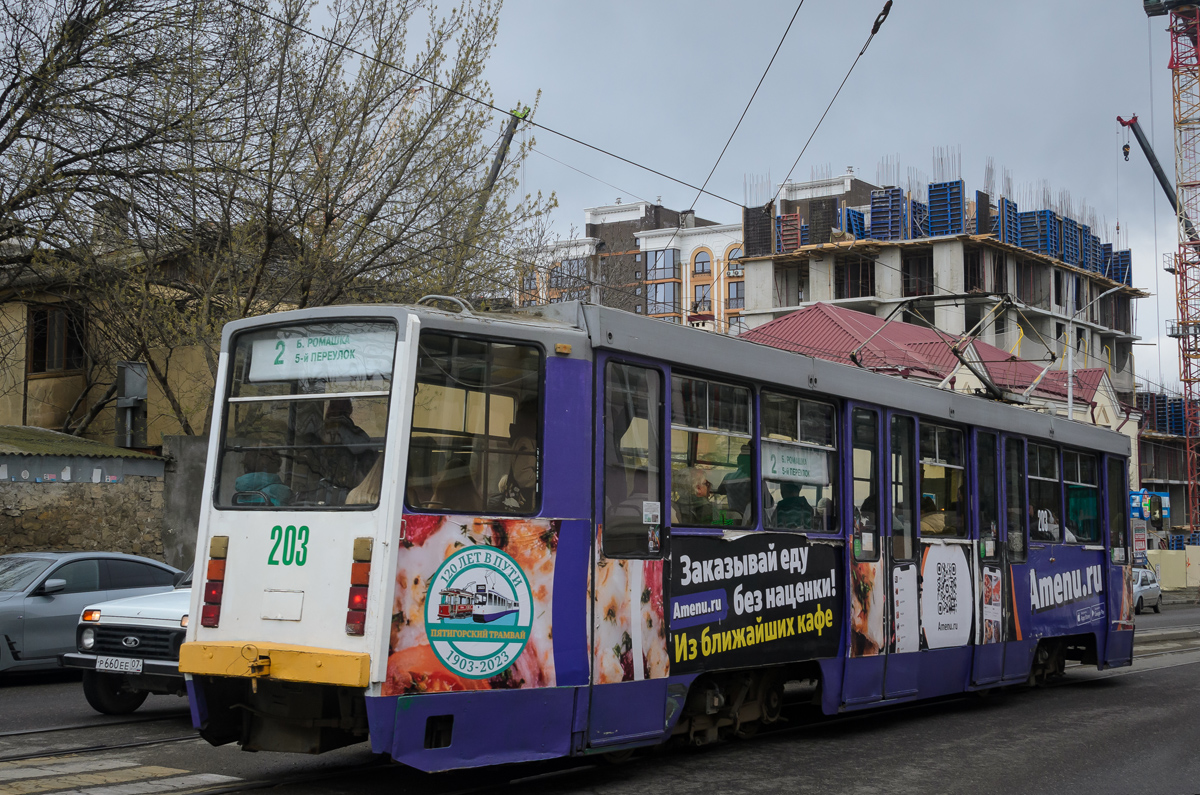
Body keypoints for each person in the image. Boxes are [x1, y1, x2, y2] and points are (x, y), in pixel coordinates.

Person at [489, 404, 538, 512]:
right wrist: (546, 480)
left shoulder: (522, 440)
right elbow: (525, 478)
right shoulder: (526, 443)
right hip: (526, 502)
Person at [322, 398, 377, 489]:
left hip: (327, 477)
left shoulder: (322, 428)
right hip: (347, 479)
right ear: (349, 409)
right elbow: (359, 448)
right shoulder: (347, 429)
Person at [719, 445, 753, 518]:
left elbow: (720, 491)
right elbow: (770, 503)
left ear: (738, 462)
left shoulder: (728, 478)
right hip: (750, 520)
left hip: (732, 518)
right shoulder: (756, 480)